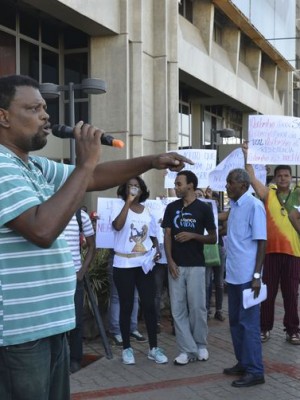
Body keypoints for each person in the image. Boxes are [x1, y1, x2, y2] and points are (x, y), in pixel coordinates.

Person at [0, 74, 191, 400]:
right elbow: (42, 230)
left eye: (45, 108)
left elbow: (94, 177)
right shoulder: (2, 165)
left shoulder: (33, 166)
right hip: (20, 332)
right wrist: (86, 163)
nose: (46, 116)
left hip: (50, 324)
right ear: (3, 116)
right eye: (33, 108)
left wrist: (150, 161)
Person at [243, 142, 300, 344]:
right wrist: (247, 156)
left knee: (291, 295)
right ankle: (264, 328)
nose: (283, 178)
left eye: (286, 176)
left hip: (294, 253)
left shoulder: (298, 195)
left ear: (291, 178)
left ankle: (292, 330)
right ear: (275, 178)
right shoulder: (268, 194)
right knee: (267, 294)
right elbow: (251, 179)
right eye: (280, 176)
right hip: (271, 252)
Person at [111, 176, 168, 365]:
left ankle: (154, 348)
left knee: (150, 305)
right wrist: (127, 202)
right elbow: (117, 226)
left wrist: (157, 250)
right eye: (130, 186)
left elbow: (152, 236)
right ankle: (127, 348)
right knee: (126, 306)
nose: (133, 189)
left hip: (144, 265)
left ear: (142, 190)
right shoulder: (118, 206)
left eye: (136, 186)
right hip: (123, 264)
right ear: (125, 189)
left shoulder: (147, 211)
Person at [162, 170, 217, 365]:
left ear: (191, 185)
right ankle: (186, 349)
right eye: (176, 184)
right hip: (176, 265)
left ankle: (201, 345)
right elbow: (167, 235)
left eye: (179, 184)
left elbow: (213, 237)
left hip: (196, 265)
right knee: (177, 309)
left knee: (197, 308)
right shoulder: (171, 207)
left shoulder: (203, 208)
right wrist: (170, 261)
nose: (176, 187)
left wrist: (193, 236)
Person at [223, 168, 266, 387]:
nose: (226, 186)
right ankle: (243, 362)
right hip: (233, 275)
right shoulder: (234, 206)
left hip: (249, 277)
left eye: (230, 182)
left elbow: (261, 242)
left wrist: (257, 275)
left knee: (249, 324)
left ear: (243, 185)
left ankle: (255, 371)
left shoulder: (254, 206)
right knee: (235, 323)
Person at [64, 209, 95, 373]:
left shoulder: (80, 216)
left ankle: (75, 359)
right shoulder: (47, 210)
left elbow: (91, 245)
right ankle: (58, 360)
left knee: (76, 321)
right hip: (53, 279)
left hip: (75, 278)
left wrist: (82, 271)